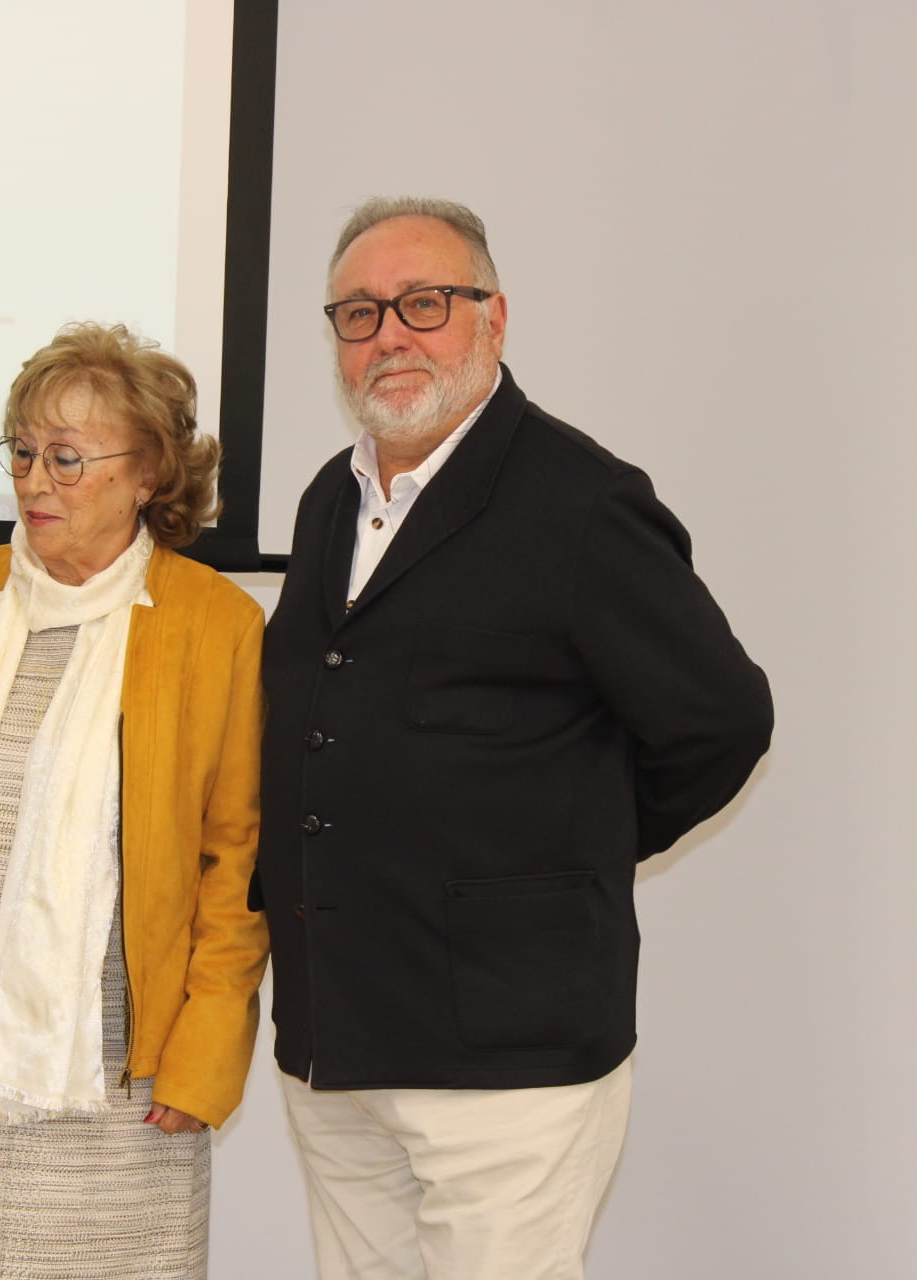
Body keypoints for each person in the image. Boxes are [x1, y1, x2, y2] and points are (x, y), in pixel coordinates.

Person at [258, 196, 774, 1280]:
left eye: (424, 302)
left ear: (493, 319)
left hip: (510, 1061)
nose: (389, 333)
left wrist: (572, 854)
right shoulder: (327, 503)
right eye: (358, 313)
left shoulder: (580, 502)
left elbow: (722, 717)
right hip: (339, 1040)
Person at [0, 322, 267, 1279]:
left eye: (69, 459)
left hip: (124, 1078)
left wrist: (202, 1058)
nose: (37, 481)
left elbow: (234, 864)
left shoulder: (219, 625)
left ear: (149, 473)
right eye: (25, 452)